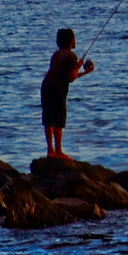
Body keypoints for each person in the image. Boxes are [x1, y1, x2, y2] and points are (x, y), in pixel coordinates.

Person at [41, 27, 94, 160]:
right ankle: (58, 151)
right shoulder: (71, 56)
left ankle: (50, 151)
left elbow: (64, 74)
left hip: (46, 85)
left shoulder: (56, 54)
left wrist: (83, 70)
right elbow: (71, 77)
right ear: (71, 41)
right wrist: (78, 66)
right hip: (57, 88)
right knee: (58, 119)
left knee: (48, 118)